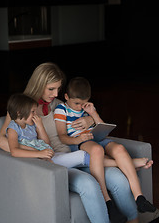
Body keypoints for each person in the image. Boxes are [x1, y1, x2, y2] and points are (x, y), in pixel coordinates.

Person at [0, 62, 152, 223]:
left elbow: (81, 113)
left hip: (78, 153)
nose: (56, 93)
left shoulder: (58, 104)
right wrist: (35, 152)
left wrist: (88, 119)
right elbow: (1, 140)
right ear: (39, 84)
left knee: (119, 179)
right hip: (57, 162)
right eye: (51, 89)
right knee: (90, 185)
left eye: (58, 88)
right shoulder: (22, 108)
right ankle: (126, 164)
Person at [54, 77, 155, 216]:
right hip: (79, 142)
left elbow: (102, 127)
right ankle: (107, 200)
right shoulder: (61, 109)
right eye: (77, 103)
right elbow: (62, 136)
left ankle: (140, 198)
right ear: (66, 96)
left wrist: (93, 113)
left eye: (83, 103)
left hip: (96, 137)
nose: (79, 107)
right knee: (97, 150)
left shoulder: (86, 109)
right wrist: (78, 139)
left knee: (119, 149)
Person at [6, 93, 90, 168]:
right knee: (82, 156)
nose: (35, 114)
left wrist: (40, 126)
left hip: (46, 155)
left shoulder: (31, 125)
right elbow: (14, 151)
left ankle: (96, 161)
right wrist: (39, 154)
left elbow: (46, 143)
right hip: (38, 159)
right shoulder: (13, 128)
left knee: (84, 156)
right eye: (33, 112)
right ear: (19, 113)